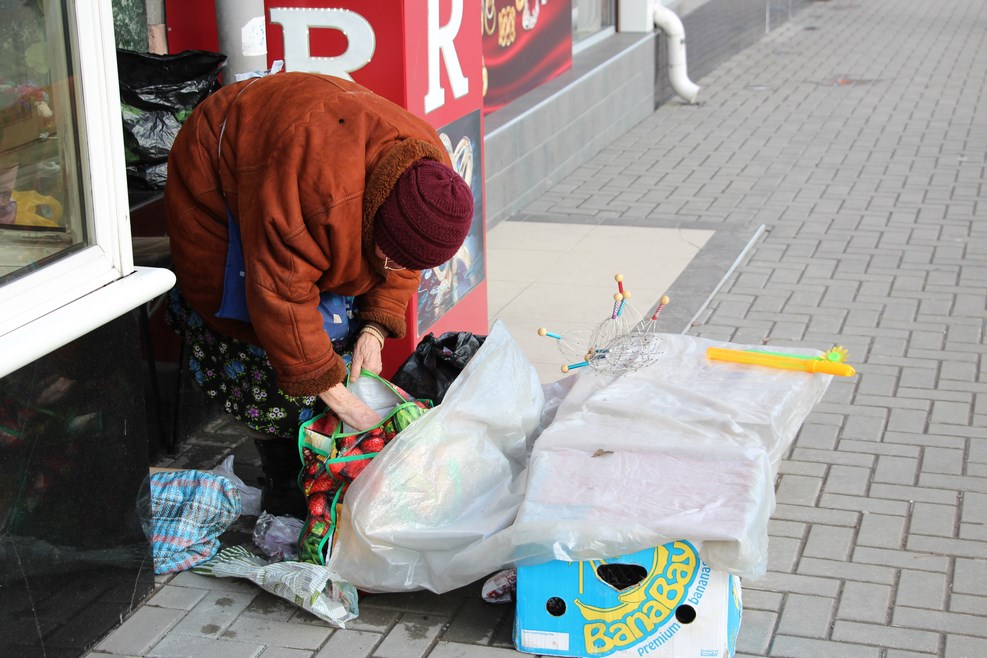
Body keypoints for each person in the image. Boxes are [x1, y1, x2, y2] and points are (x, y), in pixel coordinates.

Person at [163, 72, 474, 515]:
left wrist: (374, 327)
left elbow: (402, 258)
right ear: (375, 218)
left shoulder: (430, 179)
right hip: (220, 165)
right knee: (263, 352)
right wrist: (343, 402)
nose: (394, 268)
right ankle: (283, 483)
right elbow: (281, 295)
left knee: (335, 343)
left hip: (303, 156)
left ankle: (307, 461)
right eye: (390, 257)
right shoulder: (321, 195)